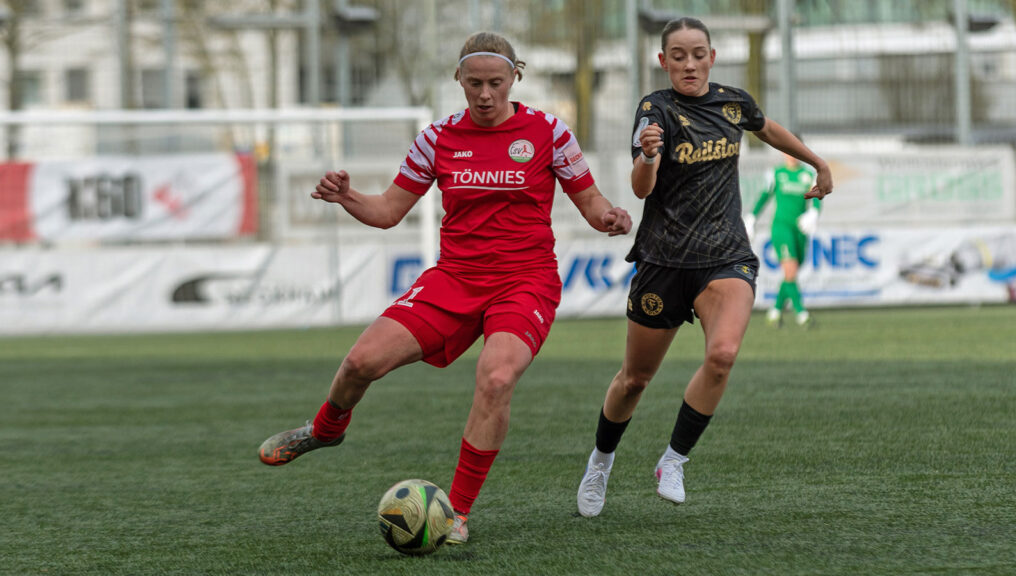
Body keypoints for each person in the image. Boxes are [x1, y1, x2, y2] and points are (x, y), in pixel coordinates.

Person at [257, 31, 633, 545]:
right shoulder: (437, 138)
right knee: (360, 363)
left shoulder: (548, 132)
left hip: (525, 282)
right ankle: (325, 429)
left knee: (497, 378)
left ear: (514, 78)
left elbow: (591, 203)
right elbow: (389, 211)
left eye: (495, 83)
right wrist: (348, 198)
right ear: (458, 79)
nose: (484, 94)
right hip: (454, 279)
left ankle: (456, 511)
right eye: (473, 83)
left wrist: (608, 216)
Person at [576, 16, 832, 517]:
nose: (689, 64)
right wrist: (648, 156)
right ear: (663, 61)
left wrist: (816, 163)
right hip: (663, 260)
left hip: (726, 256)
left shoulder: (733, 102)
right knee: (634, 380)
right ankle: (601, 462)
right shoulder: (655, 110)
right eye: (678, 55)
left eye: (698, 54)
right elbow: (640, 189)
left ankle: (673, 459)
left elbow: (768, 128)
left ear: (712, 57)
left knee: (723, 356)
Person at [744, 150, 822, 328]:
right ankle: (802, 315)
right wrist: (752, 217)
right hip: (781, 228)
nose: (792, 155)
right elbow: (764, 196)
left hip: (800, 229)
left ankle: (775, 312)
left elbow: (817, 197)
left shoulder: (808, 175)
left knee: (791, 273)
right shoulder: (777, 174)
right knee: (791, 269)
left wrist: (814, 212)